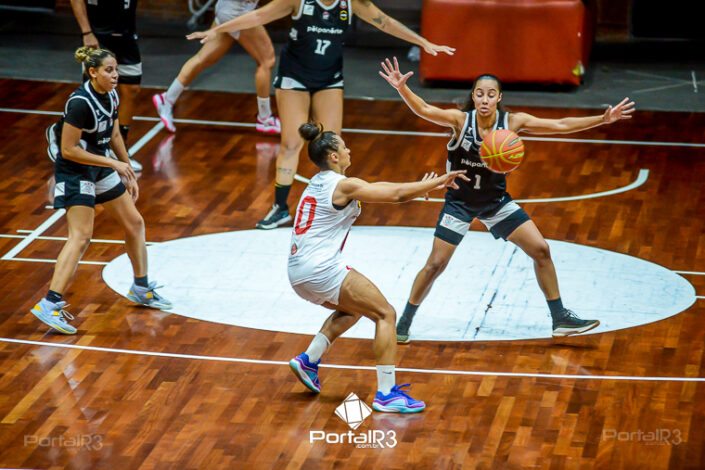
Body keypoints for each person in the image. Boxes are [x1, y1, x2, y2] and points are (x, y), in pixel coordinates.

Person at [378, 57, 636, 343]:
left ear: (499, 98)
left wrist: (602, 119)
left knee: (541, 250)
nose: (484, 99)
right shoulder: (461, 121)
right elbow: (424, 109)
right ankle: (405, 320)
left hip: (495, 202)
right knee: (435, 265)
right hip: (460, 203)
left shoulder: (512, 122)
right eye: (479, 94)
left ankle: (560, 318)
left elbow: (560, 124)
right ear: (473, 96)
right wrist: (402, 88)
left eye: (491, 94)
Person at [187, 0, 455, 230]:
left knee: (333, 144)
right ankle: (280, 208)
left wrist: (422, 42)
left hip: (329, 78)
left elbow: (384, 22)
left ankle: (336, 205)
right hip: (294, 77)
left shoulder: (350, 3)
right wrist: (217, 30)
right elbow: (258, 16)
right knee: (291, 144)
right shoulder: (299, 2)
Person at [287, 122, 467, 412]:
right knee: (386, 314)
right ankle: (386, 393)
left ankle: (309, 360)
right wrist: (437, 182)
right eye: (344, 146)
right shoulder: (342, 185)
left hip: (298, 273)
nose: (349, 150)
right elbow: (395, 195)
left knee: (353, 309)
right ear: (333, 156)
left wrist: (420, 186)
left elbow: (380, 188)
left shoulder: (318, 183)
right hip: (321, 270)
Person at [30, 47, 172, 335]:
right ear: (92, 72)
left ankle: (141, 287)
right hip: (75, 170)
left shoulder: (112, 95)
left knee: (134, 223)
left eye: (116, 69)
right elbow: (69, 150)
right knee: (81, 236)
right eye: (109, 70)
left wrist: (125, 166)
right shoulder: (79, 103)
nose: (115, 75)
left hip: (99, 165)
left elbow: (115, 133)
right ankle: (49, 303)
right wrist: (113, 163)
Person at [152, 0, 281, 135]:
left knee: (203, 58)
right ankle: (265, 119)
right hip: (237, 13)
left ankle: (167, 99)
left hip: (226, 9)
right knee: (266, 61)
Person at [46, 0, 144, 171]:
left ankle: (119, 149)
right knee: (93, 95)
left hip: (126, 35)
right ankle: (59, 133)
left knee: (132, 89)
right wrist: (87, 32)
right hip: (98, 35)